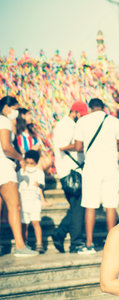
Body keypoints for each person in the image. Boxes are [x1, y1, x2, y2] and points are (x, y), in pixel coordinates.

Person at [74, 98, 119, 254]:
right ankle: (111, 244)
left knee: (90, 205)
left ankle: (89, 243)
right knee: (111, 205)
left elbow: (78, 147)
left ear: (90, 108)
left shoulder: (82, 121)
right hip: (110, 166)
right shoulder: (115, 122)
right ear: (104, 108)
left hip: (92, 167)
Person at [0, 96, 38, 257]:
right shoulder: (4, 121)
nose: (17, 112)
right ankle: (20, 246)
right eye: (15, 108)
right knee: (14, 206)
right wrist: (20, 158)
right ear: (7, 108)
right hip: (4, 168)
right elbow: (7, 147)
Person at [51, 101, 88, 253]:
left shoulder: (71, 125)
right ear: (74, 112)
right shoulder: (65, 125)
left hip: (73, 171)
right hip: (70, 172)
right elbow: (62, 146)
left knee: (76, 207)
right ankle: (76, 242)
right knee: (79, 208)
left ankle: (59, 234)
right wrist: (81, 146)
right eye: (81, 115)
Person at [18, 150, 46, 254]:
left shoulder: (39, 173)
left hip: (35, 201)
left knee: (35, 222)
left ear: (36, 163)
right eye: (27, 163)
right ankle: (24, 243)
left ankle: (39, 243)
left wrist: (39, 185)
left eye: (32, 164)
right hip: (23, 201)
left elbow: (42, 185)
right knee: (24, 224)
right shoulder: (20, 172)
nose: (29, 166)